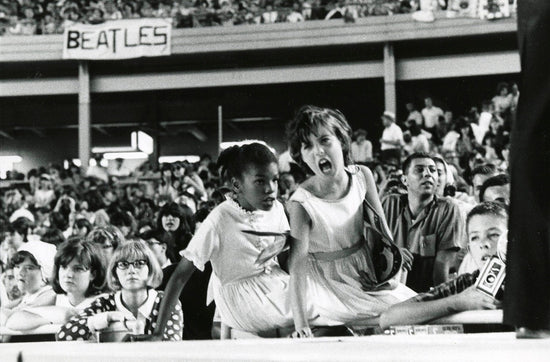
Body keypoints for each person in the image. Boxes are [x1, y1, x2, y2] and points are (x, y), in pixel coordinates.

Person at [286, 105, 415, 338]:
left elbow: (382, 230)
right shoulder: (301, 203)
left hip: (365, 269)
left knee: (411, 307)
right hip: (328, 282)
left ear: (342, 142)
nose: (318, 151)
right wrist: (300, 324)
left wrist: (389, 263)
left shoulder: (362, 175)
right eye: (308, 146)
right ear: (301, 156)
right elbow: (297, 266)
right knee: (394, 315)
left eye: (325, 140)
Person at [152, 142, 301, 338]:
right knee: (291, 324)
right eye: (260, 181)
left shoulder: (277, 208)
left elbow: (285, 250)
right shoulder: (219, 218)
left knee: (325, 312)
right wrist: (157, 332)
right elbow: (180, 276)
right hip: (240, 296)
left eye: (274, 180)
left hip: (275, 285)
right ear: (237, 185)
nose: (270, 189)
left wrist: (288, 244)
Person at [381, 202, 507, 329]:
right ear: (469, 248)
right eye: (475, 237)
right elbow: (389, 317)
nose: (483, 243)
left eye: (494, 235)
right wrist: (459, 302)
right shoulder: (465, 285)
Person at [57, 241, 182, 341]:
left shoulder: (165, 301)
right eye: (123, 264)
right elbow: (63, 335)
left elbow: (172, 344)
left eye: (139, 263)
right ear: (114, 272)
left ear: (150, 269)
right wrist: (107, 317)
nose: (131, 270)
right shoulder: (105, 302)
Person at [382, 153, 464, 292]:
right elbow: (372, 247)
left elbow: (442, 264)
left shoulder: (448, 209)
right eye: (419, 170)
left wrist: (438, 300)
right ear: (405, 180)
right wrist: (394, 254)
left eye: (433, 170)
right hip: (387, 289)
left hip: (424, 292)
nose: (428, 174)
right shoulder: (389, 203)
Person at [3, 239, 107, 331]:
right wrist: (56, 318)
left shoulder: (103, 300)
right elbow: (13, 321)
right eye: (64, 267)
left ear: (93, 274)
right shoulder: (57, 297)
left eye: (78, 269)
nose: (68, 275)